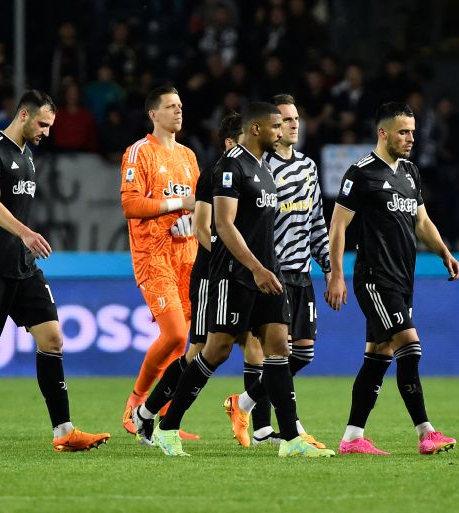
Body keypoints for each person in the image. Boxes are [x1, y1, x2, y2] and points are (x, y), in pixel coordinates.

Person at [143, 101, 334, 457]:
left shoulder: (264, 169)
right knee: (214, 351)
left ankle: (291, 440)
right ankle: (167, 428)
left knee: (279, 349)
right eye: (276, 126)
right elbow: (223, 225)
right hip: (236, 276)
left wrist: (269, 268)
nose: (282, 132)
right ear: (257, 128)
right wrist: (257, 268)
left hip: (268, 275)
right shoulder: (231, 167)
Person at [0, 90, 110, 453]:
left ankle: (64, 431)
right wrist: (27, 233)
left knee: (53, 338)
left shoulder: (28, 155)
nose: (47, 132)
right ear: (24, 116)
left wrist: (24, 242)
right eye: (43, 124)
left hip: (23, 265)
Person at [325, 102, 459, 456]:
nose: (411, 138)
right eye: (403, 132)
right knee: (409, 347)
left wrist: (444, 252)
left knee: (379, 354)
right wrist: (336, 274)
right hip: (375, 278)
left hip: (403, 279)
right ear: (383, 133)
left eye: (412, 132)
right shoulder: (361, 173)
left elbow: (421, 221)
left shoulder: (410, 172)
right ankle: (426, 432)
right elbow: (338, 226)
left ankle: (352, 437)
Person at [129, 113, 264, 445]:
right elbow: (204, 228)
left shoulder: (254, 174)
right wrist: (228, 256)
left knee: (257, 345)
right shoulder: (216, 174)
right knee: (200, 351)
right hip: (212, 276)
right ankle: (149, 413)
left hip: (242, 275)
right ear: (232, 142)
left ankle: (261, 426)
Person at [224, 94, 330, 448]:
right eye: (285, 119)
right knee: (276, 351)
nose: (294, 124)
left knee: (303, 353)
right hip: (273, 271)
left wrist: (330, 267)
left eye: (296, 118)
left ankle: (243, 402)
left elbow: (317, 220)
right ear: (271, 127)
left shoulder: (308, 166)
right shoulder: (260, 167)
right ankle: (282, 428)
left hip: (303, 271)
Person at [120, 85, 200, 440]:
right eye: (170, 106)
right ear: (153, 114)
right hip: (153, 256)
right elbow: (131, 205)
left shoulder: (189, 156)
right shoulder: (140, 152)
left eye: (180, 105)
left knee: (182, 345)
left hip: (187, 255)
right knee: (176, 334)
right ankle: (136, 402)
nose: (178, 111)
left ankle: (164, 420)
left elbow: (198, 204)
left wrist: (193, 220)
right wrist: (178, 205)